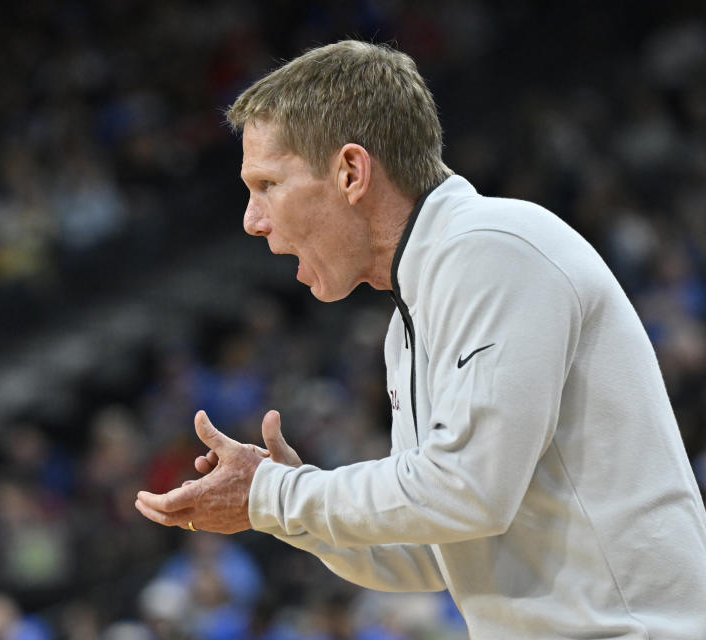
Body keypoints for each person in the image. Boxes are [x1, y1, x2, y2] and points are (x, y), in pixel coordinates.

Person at [134, 40, 706, 638]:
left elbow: (467, 490)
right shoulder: (411, 317)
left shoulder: (492, 248)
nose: (252, 219)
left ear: (350, 172)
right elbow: (432, 546)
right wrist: (280, 511)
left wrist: (276, 493)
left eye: (268, 183)